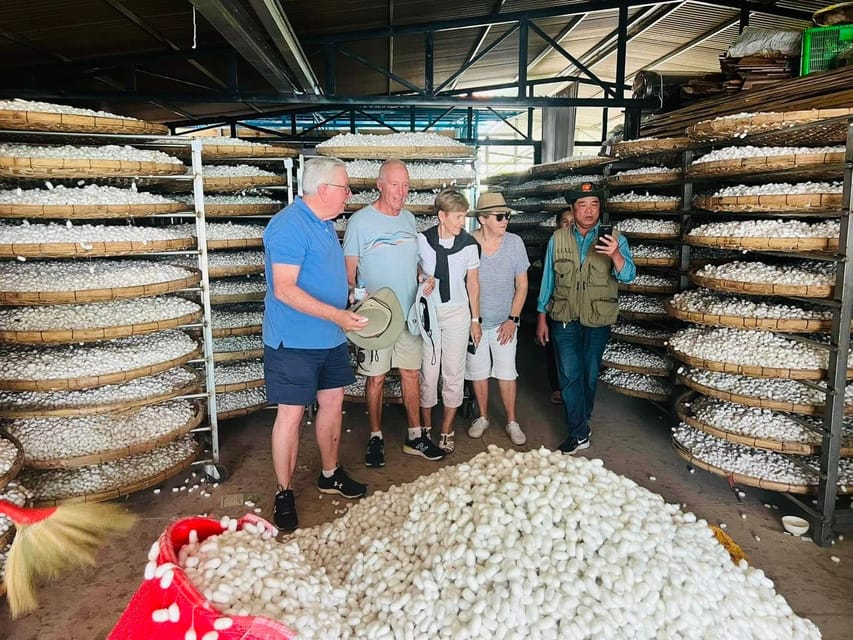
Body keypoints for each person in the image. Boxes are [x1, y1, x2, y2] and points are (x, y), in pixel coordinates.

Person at [262, 156, 368, 533]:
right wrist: (338, 315)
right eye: (344, 188)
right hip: (294, 342)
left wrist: (349, 299)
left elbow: (322, 276)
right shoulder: (288, 226)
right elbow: (285, 289)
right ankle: (284, 491)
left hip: (329, 337)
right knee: (290, 417)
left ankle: (329, 472)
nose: (348, 195)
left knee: (333, 403)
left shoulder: (324, 224)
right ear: (323, 190)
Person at [343, 159, 445, 466]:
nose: (401, 192)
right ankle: (375, 437)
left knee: (410, 374)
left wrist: (422, 277)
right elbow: (348, 275)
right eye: (395, 185)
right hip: (376, 319)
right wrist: (359, 298)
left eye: (405, 186)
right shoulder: (360, 222)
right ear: (380, 184)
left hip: (409, 315)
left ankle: (415, 436)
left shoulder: (409, 220)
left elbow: (411, 263)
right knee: (375, 379)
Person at [535, 182, 636, 455]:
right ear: (572, 209)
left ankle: (582, 418)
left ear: (600, 208)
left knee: (589, 375)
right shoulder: (558, 239)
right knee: (569, 374)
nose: (589, 211)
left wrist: (615, 254)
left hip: (597, 318)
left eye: (594, 204)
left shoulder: (616, 238)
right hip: (564, 316)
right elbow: (549, 280)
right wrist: (542, 317)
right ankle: (578, 432)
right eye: (582, 205)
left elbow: (628, 275)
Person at [417, 188, 481, 453]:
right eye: (457, 217)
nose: (462, 222)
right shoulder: (422, 240)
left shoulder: (468, 245)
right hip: (430, 313)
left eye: (463, 217)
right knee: (428, 373)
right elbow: (415, 268)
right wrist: (422, 276)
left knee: (453, 373)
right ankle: (424, 428)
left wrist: (475, 320)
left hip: (457, 314)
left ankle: (446, 430)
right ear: (442, 216)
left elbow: (473, 285)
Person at [465, 192, 530, 446]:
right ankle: (482, 417)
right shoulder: (468, 243)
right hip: (476, 322)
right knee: (478, 371)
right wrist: (474, 320)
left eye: (508, 216)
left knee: (506, 372)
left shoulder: (514, 243)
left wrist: (513, 319)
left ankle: (512, 421)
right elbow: (464, 284)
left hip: (505, 322)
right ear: (482, 219)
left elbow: (522, 285)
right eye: (500, 216)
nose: (506, 221)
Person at [545, 207, 574, 404]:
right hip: (556, 307)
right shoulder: (553, 244)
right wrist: (541, 316)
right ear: (558, 224)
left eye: (573, 222)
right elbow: (547, 281)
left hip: (578, 311)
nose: (569, 226)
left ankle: (571, 391)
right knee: (554, 350)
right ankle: (557, 387)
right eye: (565, 222)